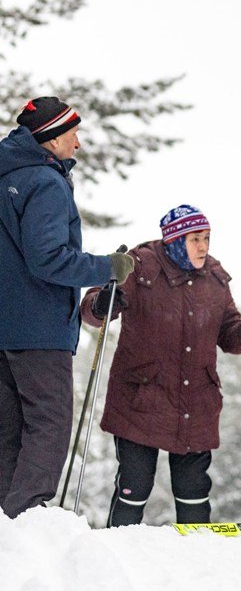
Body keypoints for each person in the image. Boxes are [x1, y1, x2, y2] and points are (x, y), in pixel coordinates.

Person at [80, 204, 241, 526]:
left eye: (207, 238)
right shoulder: (140, 266)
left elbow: (229, 334)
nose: (204, 246)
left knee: (194, 491)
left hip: (196, 401)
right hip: (141, 398)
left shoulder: (215, 278)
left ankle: (197, 561)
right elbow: (94, 309)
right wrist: (101, 303)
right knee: (134, 487)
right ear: (174, 239)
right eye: (195, 238)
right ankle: (115, 554)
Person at [0, 97, 135, 518]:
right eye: (73, 133)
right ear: (52, 137)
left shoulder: (7, 177)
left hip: (5, 328)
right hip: (38, 328)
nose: (77, 143)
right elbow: (48, 258)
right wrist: (108, 267)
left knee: (10, 430)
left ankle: (6, 522)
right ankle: (24, 518)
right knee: (49, 426)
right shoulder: (44, 181)